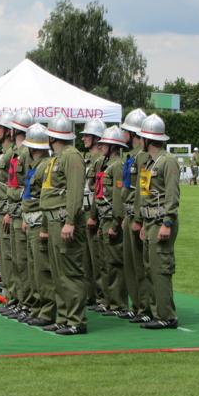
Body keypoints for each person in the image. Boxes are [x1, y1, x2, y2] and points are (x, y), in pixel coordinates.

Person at [39, 114, 87, 335]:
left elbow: (75, 192)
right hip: (54, 221)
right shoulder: (57, 158)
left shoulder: (71, 156)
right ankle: (64, 318)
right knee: (59, 274)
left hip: (64, 222)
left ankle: (76, 320)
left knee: (70, 273)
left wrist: (70, 221)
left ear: (52, 137)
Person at [136, 114, 180, 329]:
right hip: (150, 221)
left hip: (162, 221)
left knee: (160, 269)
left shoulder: (167, 161)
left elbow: (172, 195)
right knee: (150, 268)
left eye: (141, 137)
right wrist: (144, 223)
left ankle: (166, 316)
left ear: (147, 139)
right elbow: (147, 195)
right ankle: (155, 312)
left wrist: (167, 222)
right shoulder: (149, 162)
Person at [91, 126, 130, 318]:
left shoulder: (117, 166)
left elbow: (118, 198)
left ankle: (118, 303)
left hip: (111, 220)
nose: (101, 146)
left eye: (104, 144)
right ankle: (107, 301)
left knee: (114, 264)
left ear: (113, 146)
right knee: (104, 263)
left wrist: (116, 223)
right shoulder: (104, 164)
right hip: (102, 219)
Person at [20, 123, 56, 327]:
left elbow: (45, 199)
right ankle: (37, 308)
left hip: (39, 221)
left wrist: (42, 226)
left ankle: (48, 310)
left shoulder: (44, 167)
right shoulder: (37, 166)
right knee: (34, 269)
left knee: (42, 270)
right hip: (31, 221)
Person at [2, 110, 35, 322]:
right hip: (14, 211)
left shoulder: (25, 153)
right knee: (16, 260)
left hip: (21, 212)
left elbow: (28, 187)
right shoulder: (17, 152)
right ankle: (19, 300)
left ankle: (27, 303)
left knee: (23, 261)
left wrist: (22, 214)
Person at [120, 108, 152, 323]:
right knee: (130, 264)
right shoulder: (132, 156)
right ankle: (138, 305)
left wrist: (139, 218)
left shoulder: (143, 158)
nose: (123, 134)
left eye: (126, 131)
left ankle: (145, 306)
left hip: (137, 215)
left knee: (140, 265)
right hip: (130, 214)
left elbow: (142, 191)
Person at [0, 112, 17, 316]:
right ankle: (9, 297)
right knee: (3, 255)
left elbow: (16, 185)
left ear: (9, 131)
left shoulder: (12, 154)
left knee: (10, 256)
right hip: (0, 211)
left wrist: (9, 210)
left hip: (7, 212)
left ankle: (15, 298)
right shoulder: (4, 153)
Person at [80, 118, 107, 310]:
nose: (83, 139)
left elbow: (98, 192)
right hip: (84, 211)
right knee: (85, 258)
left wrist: (94, 215)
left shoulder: (101, 162)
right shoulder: (88, 160)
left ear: (97, 138)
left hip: (94, 212)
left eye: (87, 135)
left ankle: (102, 297)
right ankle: (90, 295)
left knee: (97, 258)